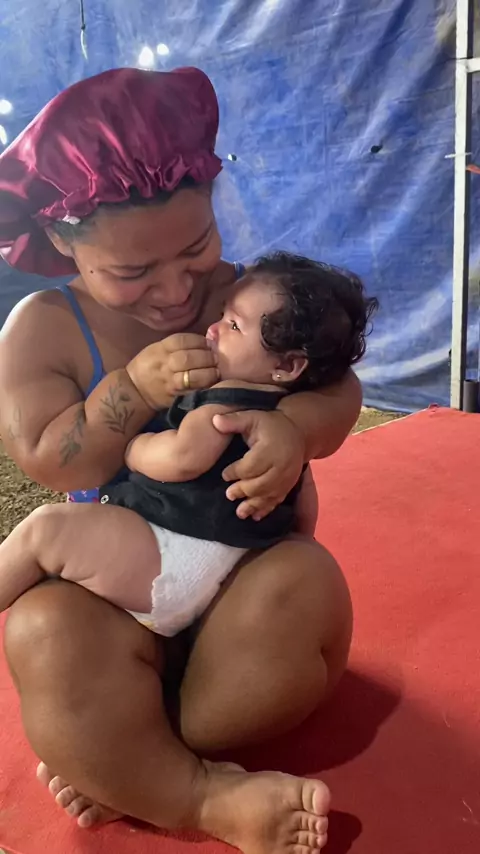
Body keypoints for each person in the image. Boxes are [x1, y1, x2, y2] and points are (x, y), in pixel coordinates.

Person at [0, 67, 362, 854]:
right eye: (131, 272)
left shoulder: (246, 296)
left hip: (245, 591)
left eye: (197, 248)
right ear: (62, 242)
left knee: (306, 583)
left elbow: (341, 385)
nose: (175, 291)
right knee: (42, 631)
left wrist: (295, 429)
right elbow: (52, 464)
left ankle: (131, 759)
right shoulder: (43, 328)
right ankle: (199, 797)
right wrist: (131, 389)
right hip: (119, 587)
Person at [0, 253, 377, 639]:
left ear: (287, 365)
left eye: (233, 325)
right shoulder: (279, 418)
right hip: (235, 566)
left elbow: (183, 457)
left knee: (43, 532)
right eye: (223, 316)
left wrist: (133, 448)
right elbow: (304, 504)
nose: (213, 329)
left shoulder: (225, 403)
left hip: (173, 559)